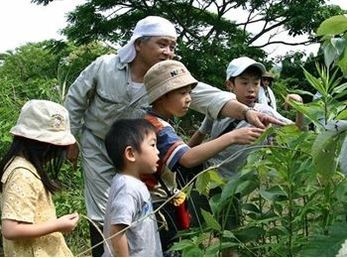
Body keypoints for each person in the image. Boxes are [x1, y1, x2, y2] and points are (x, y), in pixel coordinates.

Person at [64, 15, 283, 256]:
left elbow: (212, 98)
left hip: (145, 155)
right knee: (104, 211)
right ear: (139, 44)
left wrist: (245, 113)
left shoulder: (170, 77)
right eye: (162, 44)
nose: (169, 51)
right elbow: (74, 101)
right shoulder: (105, 67)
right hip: (99, 149)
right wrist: (70, 138)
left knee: (142, 209)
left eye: (172, 46)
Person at [142, 60, 265, 252]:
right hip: (156, 206)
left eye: (190, 92)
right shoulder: (159, 127)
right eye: (182, 93)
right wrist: (232, 137)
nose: (189, 99)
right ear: (162, 96)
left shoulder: (152, 122)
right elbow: (187, 158)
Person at [189, 56, 304, 179]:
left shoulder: (265, 112)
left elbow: (296, 130)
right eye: (244, 83)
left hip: (243, 183)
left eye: (256, 83)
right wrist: (182, 157)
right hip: (211, 175)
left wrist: (300, 108)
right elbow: (201, 133)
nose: (251, 89)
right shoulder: (219, 108)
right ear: (229, 85)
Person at [0, 100, 79, 257]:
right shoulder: (22, 175)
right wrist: (58, 225)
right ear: (43, 146)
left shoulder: (25, 167)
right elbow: (11, 229)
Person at [102, 119, 162, 257]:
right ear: (131, 154)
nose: (157, 152)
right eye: (152, 145)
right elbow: (117, 230)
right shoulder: (127, 188)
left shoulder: (133, 183)